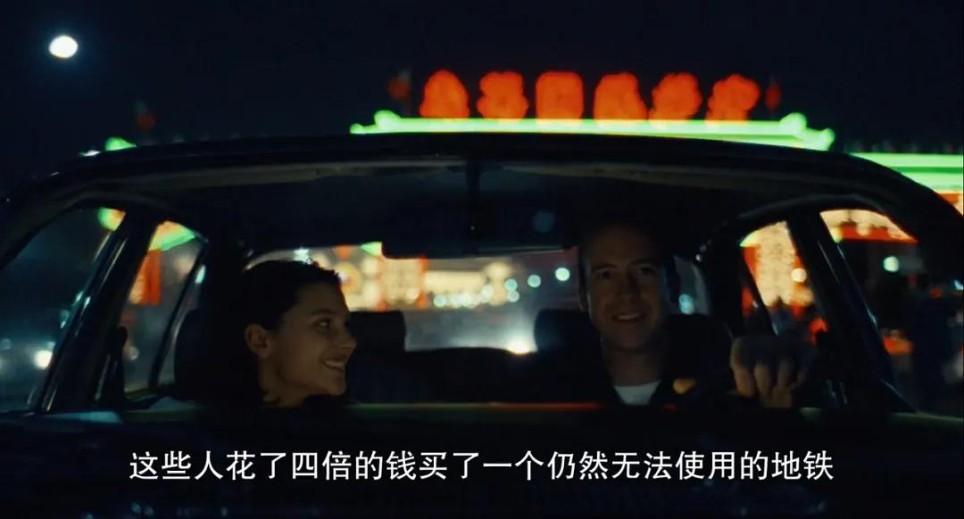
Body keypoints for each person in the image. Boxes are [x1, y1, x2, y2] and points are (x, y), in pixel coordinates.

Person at [535, 216, 812, 408]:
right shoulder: (543, 392)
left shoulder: (731, 380)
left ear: (674, 287)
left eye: (644, 271)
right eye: (606, 276)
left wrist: (777, 372)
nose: (627, 292)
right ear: (584, 297)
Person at [214, 260, 357, 408]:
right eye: (323, 324)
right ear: (260, 341)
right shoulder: (212, 421)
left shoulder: (352, 420)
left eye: (345, 325)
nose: (350, 343)